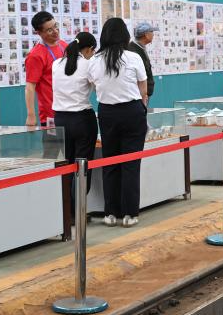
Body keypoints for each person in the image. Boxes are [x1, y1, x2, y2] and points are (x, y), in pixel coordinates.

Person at [87, 18, 148, 228]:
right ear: (125, 36)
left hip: (107, 113)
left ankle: (111, 213)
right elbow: (143, 89)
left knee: (110, 162)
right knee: (131, 164)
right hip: (132, 112)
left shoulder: (94, 60)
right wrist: (141, 106)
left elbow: (94, 85)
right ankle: (130, 214)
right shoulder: (133, 57)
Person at [52, 32, 98, 191]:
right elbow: (98, 88)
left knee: (66, 164)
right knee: (83, 166)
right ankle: (79, 203)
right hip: (82, 119)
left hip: (60, 119)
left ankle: (67, 204)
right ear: (89, 49)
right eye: (93, 51)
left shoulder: (56, 64)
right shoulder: (88, 65)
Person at [24, 11, 66, 127]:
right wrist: (31, 115)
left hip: (69, 110)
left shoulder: (63, 45)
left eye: (56, 26)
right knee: (54, 140)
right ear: (39, 33)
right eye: (49, 30)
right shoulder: (35, 55)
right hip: (51, 114)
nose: (55, 31)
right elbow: (30, 87)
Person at [129, 22, 157, 99]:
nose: (153, 34)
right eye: (152, 32)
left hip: (143, 93)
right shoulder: (133, 50)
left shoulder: (140, 47)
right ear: (146, 35)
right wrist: (143, 94)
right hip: (139, 95)